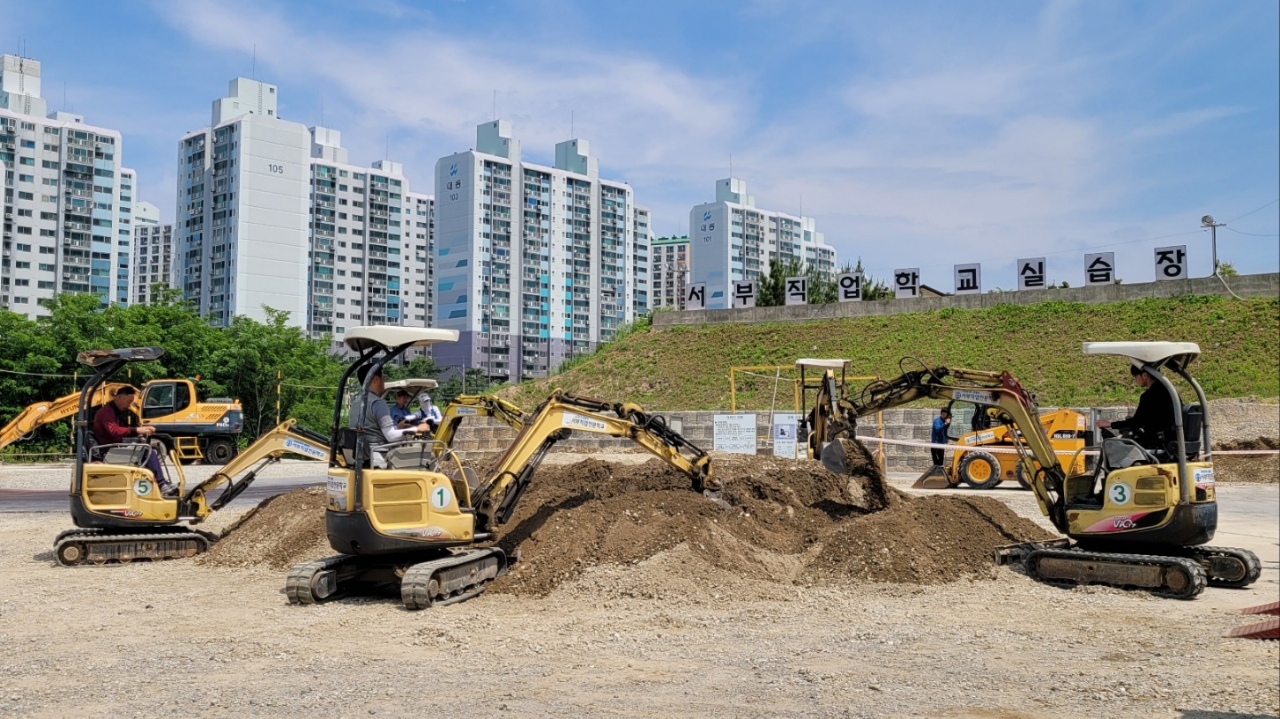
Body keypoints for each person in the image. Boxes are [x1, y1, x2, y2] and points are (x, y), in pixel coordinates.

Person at [93, 385, 173, 493]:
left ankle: (157, 483)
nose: (129, 405)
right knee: (148, 452)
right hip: (109, 450)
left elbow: (122, 430)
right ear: (119, 397)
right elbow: (115, 431)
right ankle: (161, 484)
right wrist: (137, 430)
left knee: (145, 449)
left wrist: (137, 433)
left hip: (113, 447)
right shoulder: (107, 412)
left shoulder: (113, 411)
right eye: (128, 401)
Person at [351, 366, 432, 467]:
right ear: (376, 379)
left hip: (363, 454)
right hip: (379, 454)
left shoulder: (356, 403)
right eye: (383, 378)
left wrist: (398, 427)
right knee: (427, 456)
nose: (384, 382)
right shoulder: (377, 403)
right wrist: (417, 428)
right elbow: (391, 436)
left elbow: (373, 429)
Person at [1096, 364, 1175, 451]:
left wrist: (1110, 424)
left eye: (1135, 376)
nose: (1135, 380)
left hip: (1155, 442)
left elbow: (1136, 423)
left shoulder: (1149, 396)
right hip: (1169, 438)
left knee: (1116, 448)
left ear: (1144, 375)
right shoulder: (1170, 391)